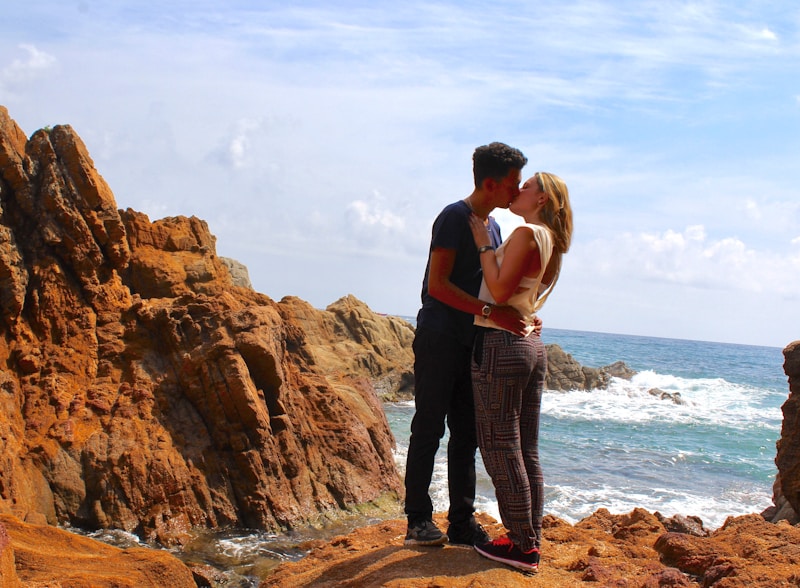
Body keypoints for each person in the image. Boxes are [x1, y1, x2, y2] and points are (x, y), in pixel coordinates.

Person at [404, 142, 531, 546]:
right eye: (513, 183)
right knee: (428, 426)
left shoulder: (492, 227)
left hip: (473, 340)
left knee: (466, 433)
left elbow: (493, 287)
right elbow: (437, 286)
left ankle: (461, 522)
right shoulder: (454, 217)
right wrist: (494, 315)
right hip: (440, 335)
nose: (518, 189)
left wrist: (523, 314)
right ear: (491, 183)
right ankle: (417, 520)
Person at [468, 172, 573, 572]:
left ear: (542, 199)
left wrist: (482, 243)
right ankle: (530, 539)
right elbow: (523, 296)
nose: (518, 191)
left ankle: (522, 546)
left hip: (500, 344)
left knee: (499, 447)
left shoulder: (527, 233)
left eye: (526, 187)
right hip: (529, 344)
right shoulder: (550, 240)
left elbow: (497, 292)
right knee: (525, 449)